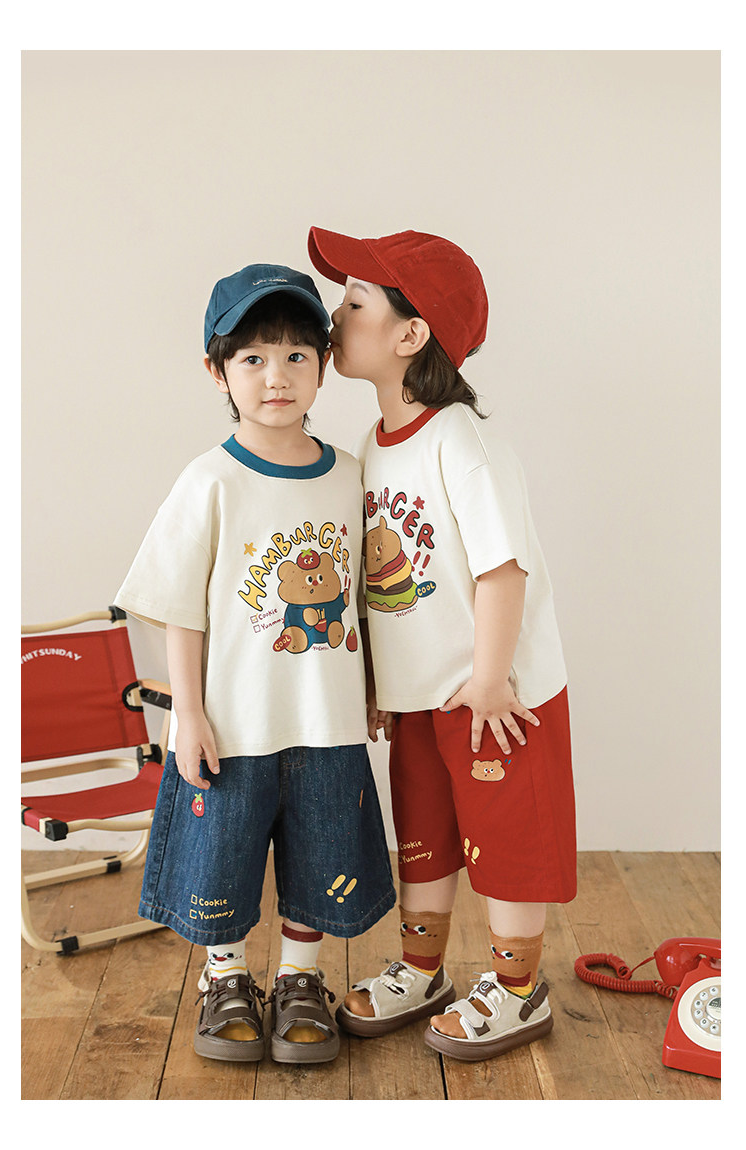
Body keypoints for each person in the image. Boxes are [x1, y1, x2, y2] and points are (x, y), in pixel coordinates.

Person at [307, 227, 577, 1061]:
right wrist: (379, 681)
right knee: (424, 832)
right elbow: (381, 584)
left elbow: (502, 569)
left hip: (495, 695)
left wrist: (491, 680)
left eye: (354, 303)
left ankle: (519, 989)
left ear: (410, 334)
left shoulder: (462, 438)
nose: (334, 317)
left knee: (506, 839)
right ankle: (423, 969)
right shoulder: (375, 445)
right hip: (423, 695)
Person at [115, 263, 395, 1065]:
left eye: (296, 356)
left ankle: (301, 977)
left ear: (323, 365)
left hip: (325, 719)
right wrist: (188, 712)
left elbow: (364, 597)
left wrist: (374, 684)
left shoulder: (349, 476)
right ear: (218, 371)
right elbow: (181, 606)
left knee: (323, 852)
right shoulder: (210, 480)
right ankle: (226, 976)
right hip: (232, 723)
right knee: (223, 857)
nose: (277, 376)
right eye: (253, 358)